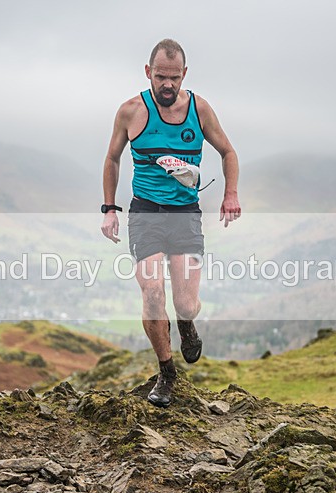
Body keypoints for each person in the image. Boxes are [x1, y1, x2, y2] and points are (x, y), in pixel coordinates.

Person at [101, 38, 240, 407]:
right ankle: (166, 372)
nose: (167, 84)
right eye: (161, 76)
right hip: (145, 213)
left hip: (185, 216)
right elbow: (113, 158)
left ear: (184, 75)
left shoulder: (200, 109)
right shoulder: (130, 112)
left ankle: (186, 323)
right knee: (151, 293)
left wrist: (230, 195)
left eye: (174, 78)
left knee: (186, 302)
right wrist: (109, 208)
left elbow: (228, 151)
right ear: (148, 72)